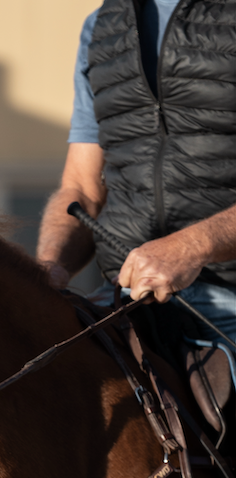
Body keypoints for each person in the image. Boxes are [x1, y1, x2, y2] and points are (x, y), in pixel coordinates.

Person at [36, 0, 236, 345]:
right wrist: (49, 267)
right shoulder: (101, 26)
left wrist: (192, 247)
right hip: (123, 299)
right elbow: (81, 190)